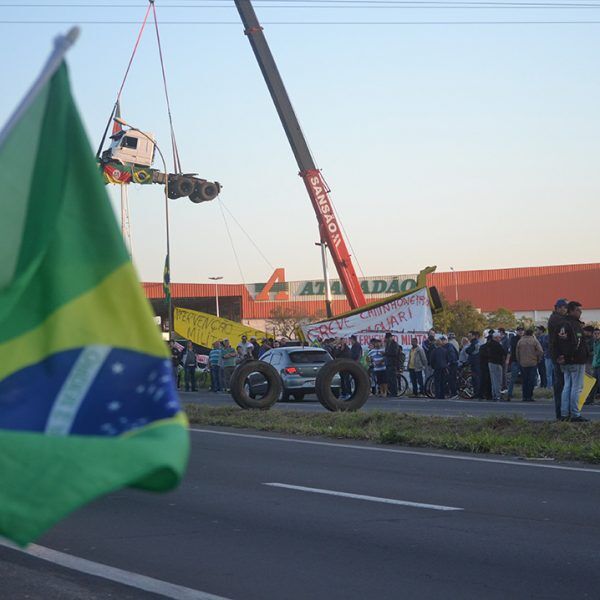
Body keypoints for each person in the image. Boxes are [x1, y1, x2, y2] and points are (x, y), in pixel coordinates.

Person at [552, 301, 589, 422]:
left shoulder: (560, 324)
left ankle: (564, 413)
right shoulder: (574, 324)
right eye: (578, 310)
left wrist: (559, 356)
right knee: (576, 387)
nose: (580, 312)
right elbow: (576, 344)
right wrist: (568, 357)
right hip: (576, 360)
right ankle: (575, 414)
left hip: (564, 361)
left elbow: (554, 343)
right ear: (572, 310)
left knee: (567, 386)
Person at [548, 298, 568, 420]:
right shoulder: (557, 319)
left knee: (562, 384)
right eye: (563, 307)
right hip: (558, 356)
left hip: (557, 355)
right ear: (558, 308)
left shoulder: (556, 318)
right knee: (560, 385)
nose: (565, 310)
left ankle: (562, 413)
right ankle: (561, 413)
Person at [516, 329, 544, 402]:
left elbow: (517, 353)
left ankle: (524, 396)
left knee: (524, 380)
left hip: (523, 363)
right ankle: (530, 396)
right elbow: (540, 351)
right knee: (531, 380)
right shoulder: (534, 341)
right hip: (532, 363)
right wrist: (536, 357)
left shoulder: (520, 341)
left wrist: (519, 360)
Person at [506, 326, 525, 401]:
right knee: (513, 379)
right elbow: (513, 348)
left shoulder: (525, 338)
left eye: (522, 330)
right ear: (516, 331)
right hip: (515, 360)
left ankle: (525, 395)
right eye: (519, 330)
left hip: (523, 361)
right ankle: (509, 394)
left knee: (524, 379)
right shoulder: (514, 339)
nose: (520, 332)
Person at [487, 333, 507, 402]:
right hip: (496, 363)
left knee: (493, 380)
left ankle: (494, 395)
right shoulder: (497, 345)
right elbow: (503, 352)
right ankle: (498, 395)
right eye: (499, 337)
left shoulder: (489, 344)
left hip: (490, 363)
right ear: (495, 338)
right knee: (498, 380)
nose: (500, 339)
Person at [465, 331, 482, 398]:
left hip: (475, 363)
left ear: (474, 336)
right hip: (475, 362)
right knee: (475, 379)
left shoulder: (474, 343)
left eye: (470, 336)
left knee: (476, 379)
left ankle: (477, 393)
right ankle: (476, 393)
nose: (469, 337)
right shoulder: (475, 342)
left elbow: (469, 350)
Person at [384, 332, 400, 397]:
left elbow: (395, 353)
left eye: (388, 338)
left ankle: (394, 392)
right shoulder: (387, 344)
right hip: (388, 363)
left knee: (393, 379)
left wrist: (386, 353)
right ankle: (391, 392)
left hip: (393, 363)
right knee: (389, 379)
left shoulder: (395, 344)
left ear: (391, 338)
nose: (387, 339)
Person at [479, 332, 493, 401]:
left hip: (483, 365)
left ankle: (481, 394)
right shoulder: (490, 347)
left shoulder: (482, 347)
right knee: (489, 381)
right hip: (488, 365)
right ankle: (488, 395)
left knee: (483, 380)